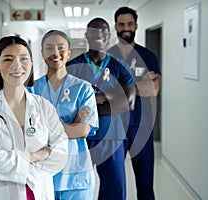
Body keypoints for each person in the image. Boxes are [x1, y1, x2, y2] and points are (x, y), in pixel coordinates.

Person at [0, 36, 68, 200]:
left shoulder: (44, 107)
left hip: (39, 193)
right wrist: (35, 156)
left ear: (31, 64)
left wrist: (21, 169)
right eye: (8, 59)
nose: (17, 65)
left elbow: (60, 154)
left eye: (24, 59)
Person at [67, 18, 136, 200]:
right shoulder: (72, 67)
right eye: (94, 31)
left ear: (109, 35)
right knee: (77, 188)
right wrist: (114, 94)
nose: (99, 34)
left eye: (104, 30)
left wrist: (96, 99)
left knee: (114, 189)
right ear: (87, 35)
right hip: (80, 138)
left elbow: (128, 102)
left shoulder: (119, 66)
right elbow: (69, 105)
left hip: (112, 138)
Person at [28, 30, 98, 200]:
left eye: (61, 48)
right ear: (42, 53)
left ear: (68, 53)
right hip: (42, 173)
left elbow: (83, 131)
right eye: (49, 48)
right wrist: (73, 122)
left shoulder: (83, 88)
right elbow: (28, 131)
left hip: (76, 174)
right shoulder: (31, 90)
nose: (55, 53)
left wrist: (44, 128)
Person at [108, 6, 161, 200]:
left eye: (129, 24)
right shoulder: (106, 57)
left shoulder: (148, 56)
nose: (126, 28)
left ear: (136, 25)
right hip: (114, 128)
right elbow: (104, 93)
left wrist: (121, 87)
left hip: (142, 128)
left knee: (145, 185)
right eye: (121, 24)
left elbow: (154, 89)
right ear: (116, 27)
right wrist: (140, 85)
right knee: (112, 185)